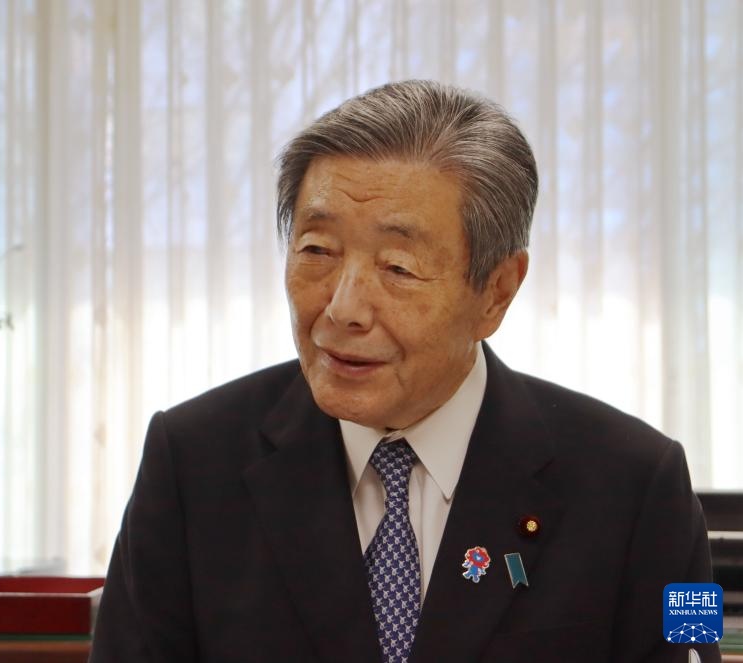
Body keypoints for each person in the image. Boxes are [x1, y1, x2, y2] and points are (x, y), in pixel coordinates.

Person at [90, 80, 719, 663]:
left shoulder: (642, 483)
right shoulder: (190, 462)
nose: (343, 309)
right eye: (317, 250)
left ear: (497, 290)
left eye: (398, 267)